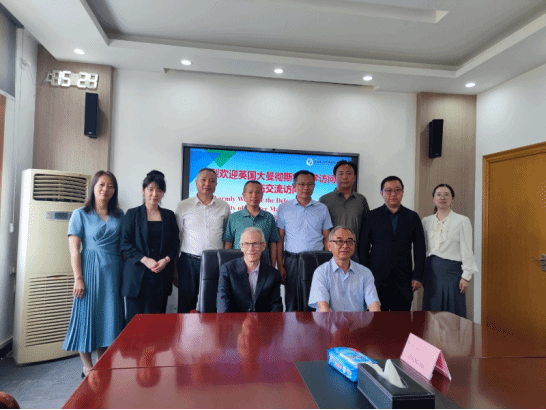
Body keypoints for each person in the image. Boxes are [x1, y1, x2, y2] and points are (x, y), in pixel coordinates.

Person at [63, 171, 124, 377]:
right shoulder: (80, 214)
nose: (105, 189)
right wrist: (78, 279)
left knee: (108, 319)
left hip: (113, 273)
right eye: (101, 185)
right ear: (94, 187)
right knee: (85, 318)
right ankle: (87, 367)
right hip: (89, 272)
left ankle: (101, 364)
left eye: (110, 186)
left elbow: (124, 247)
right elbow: (74, 249)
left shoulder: (119, 215)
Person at [359, 176, 426, 311]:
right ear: (381, 193)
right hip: (376, 278)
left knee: (402, 320)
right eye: (388, 190)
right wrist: (365, 276)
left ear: (402, 192)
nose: (393, 194)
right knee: (376, 319)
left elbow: (420, 249)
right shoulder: (372, 216)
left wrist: (417, 276)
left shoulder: (412, 217)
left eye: (397, 190)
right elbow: (363, 248)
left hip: (403, 279)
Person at [121, 170, 180, 324]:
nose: (154, 194)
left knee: (156, 324)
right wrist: (145, 260)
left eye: (159, 190)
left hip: (161, 274)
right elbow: (125, 243)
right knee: (134, 323)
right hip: (136, 276)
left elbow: (175, 243)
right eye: (151, 189)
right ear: (144, 190)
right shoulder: (132, 214)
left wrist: (166, 260)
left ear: (163, 193)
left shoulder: (169, 215)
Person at [175, 168, 230, 313]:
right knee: (186, 305)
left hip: (214, 262)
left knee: (212, 304)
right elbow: (177, 236)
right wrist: (175, 267)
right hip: (189, 262)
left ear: (216, 184)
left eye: (212, 181)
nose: (207, 184)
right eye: (203, 180)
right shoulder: (183, 206)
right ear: (196, 182)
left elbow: (226, 236)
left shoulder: (224, 207)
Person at [277, 170, 333, 311]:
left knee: (317, 300)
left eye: (309, 184)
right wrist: (280, 265)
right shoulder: (284, 208)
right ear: (294, 186)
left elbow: (327, 238)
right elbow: (280, 239)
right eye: (301, 184)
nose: (305, 188)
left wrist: (329, 263)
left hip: (317, 260)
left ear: (314, 186)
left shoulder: (322, 208)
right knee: (292, 301)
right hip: (292, 261)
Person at [421, 184, 478, 318]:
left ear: (452, 199)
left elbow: (467, 250)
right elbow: (422, 249)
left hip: (452, 274)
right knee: (432, 313)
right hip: (430, 274)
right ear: (433, 199)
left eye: (447, 195)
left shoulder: (462, 221)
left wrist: (466, 276)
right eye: (438, 195)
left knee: (452, 313)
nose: (442, 198)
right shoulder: (426, 221)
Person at [309, 226, 380, 312]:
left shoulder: (365, 272)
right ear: (329, 246)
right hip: (330, 320)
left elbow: (374, 306)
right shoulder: (321, 272)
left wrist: (376, 320)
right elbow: (323, 309)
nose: (345, 245)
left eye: (350, 241)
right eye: (339, 241)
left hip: (357, 320)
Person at [217, 227, 283, 313]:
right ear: (241, 246)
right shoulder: (227, 270)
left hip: (263, 321)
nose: (251, 249)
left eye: (255, 243)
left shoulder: (273, 274)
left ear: (263, 246)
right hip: (235, 320)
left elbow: (276, 307)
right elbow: (223, 305)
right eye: (246, 244)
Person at [319, 160, 370, 261]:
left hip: (355, 254)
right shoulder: (325, 200)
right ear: (334, 177)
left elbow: (367, 228)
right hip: (331, 255)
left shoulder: (361, 200)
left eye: (349, 173)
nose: (345, 177)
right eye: (341, 173)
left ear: (354, 177)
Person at [223, 180, 280, 266]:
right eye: (250, 192)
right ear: (244, 195)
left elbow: (273, 244)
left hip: (263, 266)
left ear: (262, 195)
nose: (254, 195)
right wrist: (227, 266)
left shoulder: (269, 217)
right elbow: (228, 243)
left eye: (257, 192)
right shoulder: (234, 217)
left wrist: (272, 267)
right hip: (238, 266)